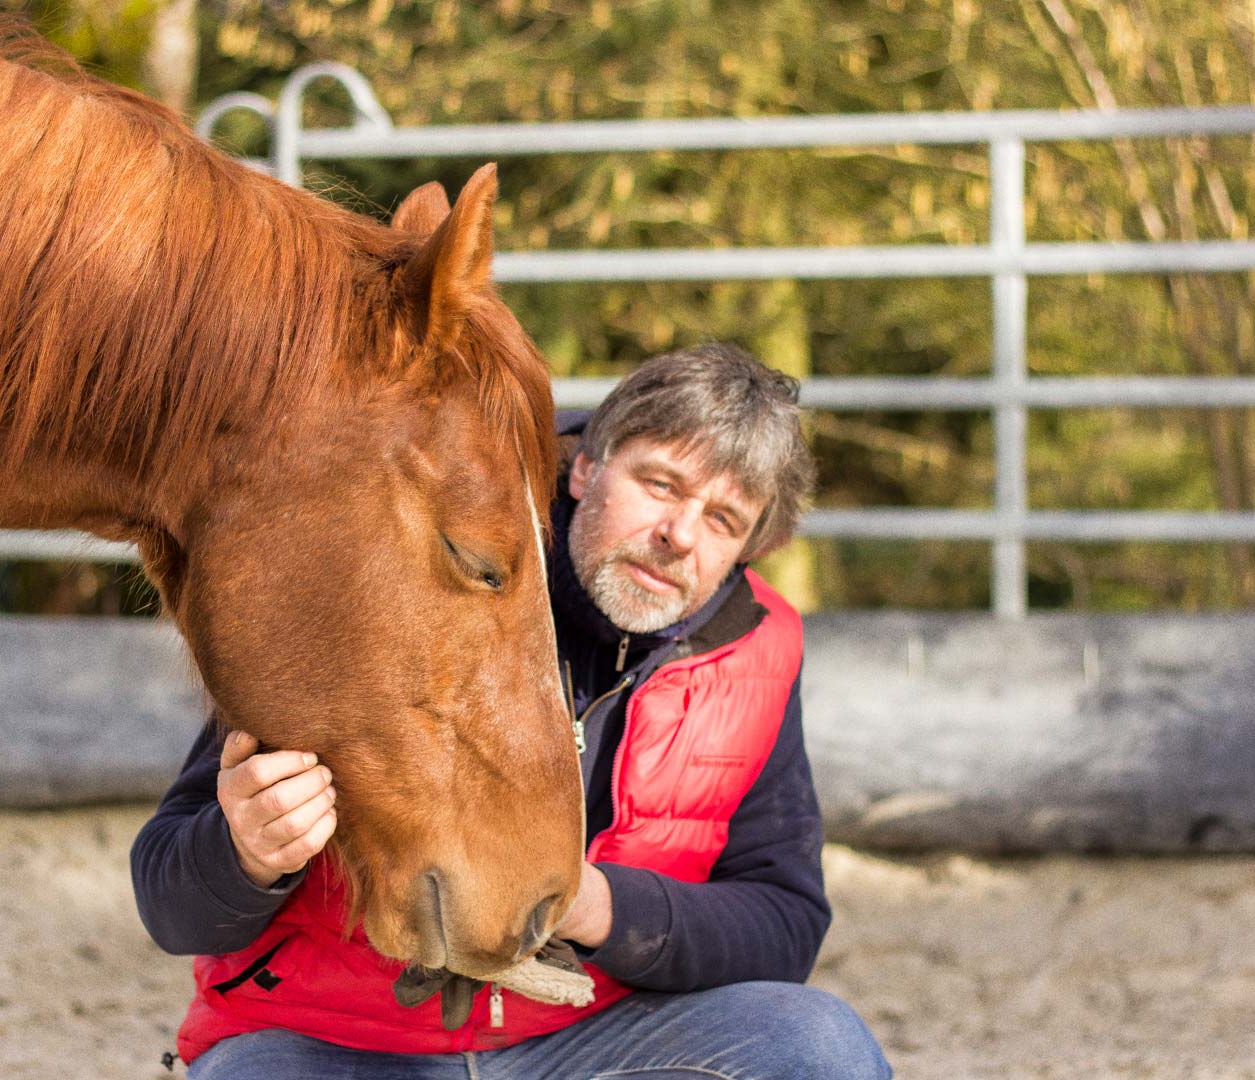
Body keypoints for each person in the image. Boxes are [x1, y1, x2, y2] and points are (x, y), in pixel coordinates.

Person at [131, 343, 892, 1078]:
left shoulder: (759, 651)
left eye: (723, 519)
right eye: (659, 484)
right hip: (331, 1041)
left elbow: (784, 928)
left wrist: (599, 908)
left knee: (822, 1047)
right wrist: (244, 856)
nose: (678, 536)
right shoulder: (405, 576)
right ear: (585, 466)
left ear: (751, 546)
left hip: (588, 1039)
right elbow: (170, 906)